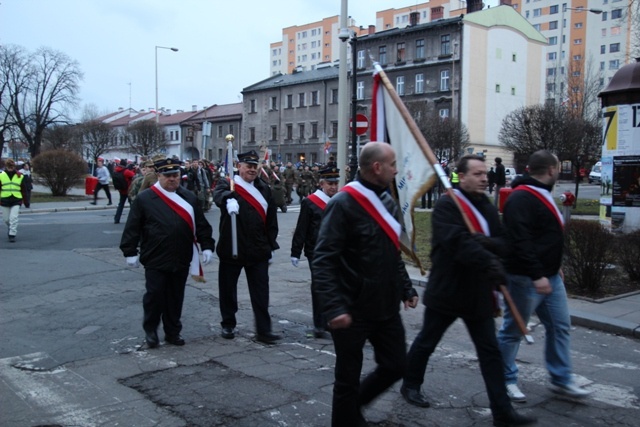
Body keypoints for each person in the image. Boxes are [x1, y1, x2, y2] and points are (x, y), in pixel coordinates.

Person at [401, 155, 536, 427]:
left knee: (490, 352)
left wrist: (488, 245)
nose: (484, 178)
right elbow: (457, 243)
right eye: (477, 173)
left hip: (478, 293)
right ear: (461, 177)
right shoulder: (447, 206)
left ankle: (502, 412)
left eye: (485, 173)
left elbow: (502, 241)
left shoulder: (485, 206)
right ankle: (410, 384)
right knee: (427, 341)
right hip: (449, 290)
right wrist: (488, 258)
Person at [312, 142, 419, 426]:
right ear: (377, 167)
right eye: (393, 164)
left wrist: (406, 287)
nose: (396, 170)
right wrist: (334, 307)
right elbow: (323, 260)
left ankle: (352, 407)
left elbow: (392, 252)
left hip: (385, 305)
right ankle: (346, 418)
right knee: (346, 377)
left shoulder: (387, 201)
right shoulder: (343, 203)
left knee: (397, 364)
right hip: (351, 307)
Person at [497, 150, 592, 403]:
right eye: (557, 168)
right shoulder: (521, 198)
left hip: (550, 276)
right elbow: (520, 241)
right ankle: (504, 379)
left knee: (560, 326)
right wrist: (537, 273)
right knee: (513, 329)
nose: (558, 172)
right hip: (526, 278)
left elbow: (545, 237)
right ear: (551, 170)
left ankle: (561, 380)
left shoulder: (540, 194)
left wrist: (554, 266)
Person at [120, 157, 215, 348]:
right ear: (159, 176)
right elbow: (132, 227)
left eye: (176, 175)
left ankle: (173, 332)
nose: (172, 179)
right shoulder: (145, 198)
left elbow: (201, 225)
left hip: (181, 256)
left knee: (175, 297)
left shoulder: (189, 197)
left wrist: (207, 246)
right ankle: (151, 330)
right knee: (154, 296)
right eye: (168, 176)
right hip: (155, 256)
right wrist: (130, 251)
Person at [213, 149, 281, 345]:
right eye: (248, 166)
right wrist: (228, 199)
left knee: (261, 293)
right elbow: (218, 196)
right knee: (228, 290)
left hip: (258, 249)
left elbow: (271, 221)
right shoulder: (228, 184)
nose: (252, 170)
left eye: (254, 166)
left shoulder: (264, 188)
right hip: (232, 247)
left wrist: (270, 245)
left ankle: (263, 330)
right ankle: (228, 324)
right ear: (239, 166)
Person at [290, 166, 340, 338]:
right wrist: (295, 252)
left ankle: (331, 320)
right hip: (316, 252)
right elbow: (302, 229)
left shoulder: (341, 201)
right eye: (329, 183)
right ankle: (319, 324)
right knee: (319, 286)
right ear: (321, 184)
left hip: (336, 252)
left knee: (335, 286)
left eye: (335, 183)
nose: (333, 187)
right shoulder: (311, 202)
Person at [0, 159, 27, 242]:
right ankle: (11, 227)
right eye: (9, 167)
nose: (10, 168)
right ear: (6, 167)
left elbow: (24, 189)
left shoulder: (20, 176)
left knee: (13, 218)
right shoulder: (1, 175)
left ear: (14, 167)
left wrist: (26, 202)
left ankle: (12, 234)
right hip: (4, 199)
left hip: (16, 199)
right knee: (6, 219)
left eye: (12, 167)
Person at [113, 159, 136, 224]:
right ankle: (133, 219)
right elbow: (134, 176)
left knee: (121, 204)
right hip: (128, 190)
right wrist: (133, 169)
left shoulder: (116, 170)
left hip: (121, 190)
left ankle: (117, 219)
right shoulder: (126, 171)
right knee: (132, 205)